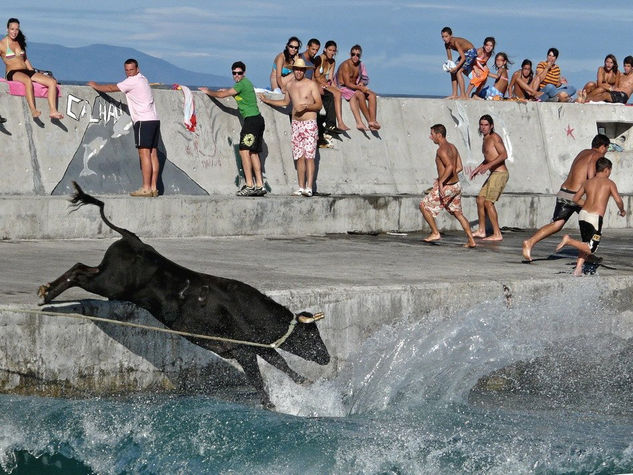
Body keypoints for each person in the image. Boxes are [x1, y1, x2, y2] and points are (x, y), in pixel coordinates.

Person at [522, 134, 610, 261]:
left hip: (565, 192)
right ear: (602, 146)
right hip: (576, 196)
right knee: (592, 221)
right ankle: (588, 252)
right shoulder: (597, 155)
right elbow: (591, 177)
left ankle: (529, 242)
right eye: (606, 149)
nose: (606, 153)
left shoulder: (583, 152)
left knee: (557, 224)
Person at [87, 59, 160, 197]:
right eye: (126, 70)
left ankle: (145, 188)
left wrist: (95, 85)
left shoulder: (132, 81)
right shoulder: (143, 79)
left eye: (131, 70)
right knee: (153, 154)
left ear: (137, 69)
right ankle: (153, 187)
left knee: (144, 154)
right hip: (154, 119)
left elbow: (110, 89)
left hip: (143, 121)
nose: (128, 73)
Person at [199, 61, 266, 197]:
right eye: (234, 73)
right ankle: (260, 185)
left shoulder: (242, 83)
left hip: (251, 121)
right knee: (253, 153)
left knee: (243, 151)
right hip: (258, 120)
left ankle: (249, 185)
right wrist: (227, 91)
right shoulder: (244, 84)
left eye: (239, 73)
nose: (236, 75)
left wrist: (208, 91)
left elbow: (222, 96)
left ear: (244, 73)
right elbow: (233, 93)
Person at [259, 58, 322, 197]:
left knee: (309, 156)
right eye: (296, 69)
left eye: (301, 69)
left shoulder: (311, 85)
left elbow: (319, 105)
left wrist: (305, 106)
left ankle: (309, 187)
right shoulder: (290, 85)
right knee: (299, 156)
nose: (298, 72)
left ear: (304, 71)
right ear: (293, 70)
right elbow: (285, 102)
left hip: (309, 123)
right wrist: (267, 100)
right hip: (296, 124)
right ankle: (301, 187)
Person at [556, 157, 626, 276]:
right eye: (610, 170)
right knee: (590, 248)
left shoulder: (587, 182)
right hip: (594, 218)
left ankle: (578, 269)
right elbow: (618, 200)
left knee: (585, 243)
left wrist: (587, 204)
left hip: (583, 215)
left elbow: (575, 199)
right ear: (606, 170)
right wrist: (622, 210)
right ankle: (568, 240)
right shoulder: (609, 183)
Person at [420, 124, 476, 248]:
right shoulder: (453, 147)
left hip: (447, 186)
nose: (431, 137)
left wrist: (441, 181)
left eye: (432, 134)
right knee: (458, 213)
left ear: (439, 135)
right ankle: (471, 240)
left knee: (423, 206)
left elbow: (450, 166)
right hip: (456, 186)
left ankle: (435, 233)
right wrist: (449, 177)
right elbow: (459, 167)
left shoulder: (441, 150)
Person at [0, 18, 63, 119]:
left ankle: (53, 111)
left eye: (17, 29)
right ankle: (33, 110)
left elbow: (25, 59)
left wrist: (33, 71)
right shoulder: (2, 44)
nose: (14, 32)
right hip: (12, 72)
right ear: (7, 29)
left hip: (26, 70)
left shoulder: (19, 42)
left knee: (52, 82)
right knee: (27, 81)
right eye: (12, 29)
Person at [470, 114, 509, 241]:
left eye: (486, 125)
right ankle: (482, 230)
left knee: (488, 202)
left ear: (491, 126)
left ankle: (497, 233)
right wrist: (477, 169)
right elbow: (488, 157)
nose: (483, 127)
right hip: (493, 173)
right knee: (480, 199)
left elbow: (504, 155)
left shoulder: (494, 138)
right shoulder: (485, 139)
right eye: (481, 124)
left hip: (500, 174)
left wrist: (488, 166)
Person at [335, 44, 381, 131]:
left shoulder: (361, 65)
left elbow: (366, 78)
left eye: (357, 55)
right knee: (360, 94)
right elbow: (347, 83)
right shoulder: (346, 65)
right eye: (353, 54)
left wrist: (362, 83)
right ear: (350, 54)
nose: (355, 57)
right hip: (343, 87)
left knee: (372, 95)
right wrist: (360, 88)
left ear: (360, 56)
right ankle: (370, 121)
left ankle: (373, 121)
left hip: (355, 87)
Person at [314, 40, 350, 132]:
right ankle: (335, 123)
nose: (332, 53)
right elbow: (316, 76)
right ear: (325, 49)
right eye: (330, 50)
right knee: (333, 94)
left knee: (338, 93)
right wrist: (325, 84)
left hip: (325, 84)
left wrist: (335, 87)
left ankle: (339, 122)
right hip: (316, 83)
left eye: (334, 51)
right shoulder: (319, 58)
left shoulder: (332, 61)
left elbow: (330, 78)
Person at [441, 27, 477, 99]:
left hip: (471, 52)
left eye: (446, 36)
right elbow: (450, 59)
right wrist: (449, 67)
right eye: (442, 37)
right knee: (453, 72)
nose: (444, 39)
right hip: (465, 54)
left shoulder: (455, 42)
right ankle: (454, 94)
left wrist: (456, 68)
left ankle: (463, 95)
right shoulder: (446, 44)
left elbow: (463, 58)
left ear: (451, 35)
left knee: (458, 72)